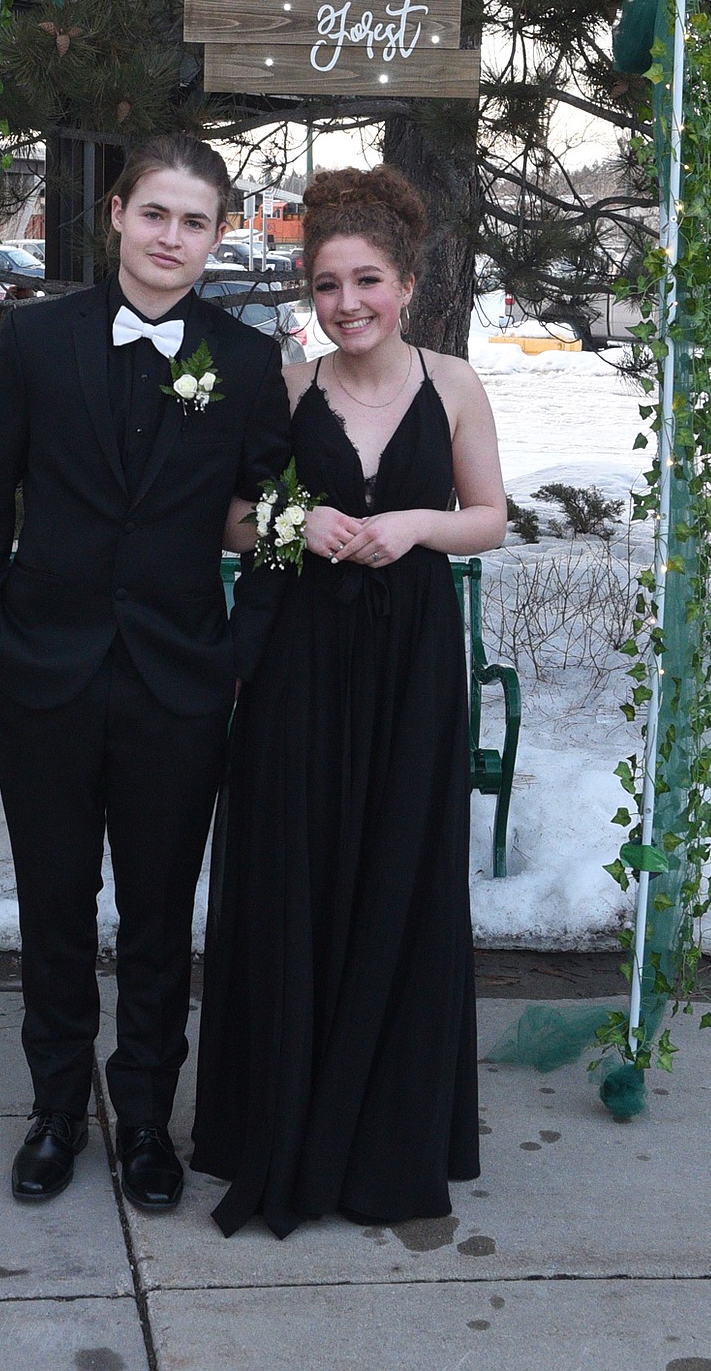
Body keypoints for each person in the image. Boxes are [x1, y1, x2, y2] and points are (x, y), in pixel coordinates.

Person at [0, 134, 291, 1209]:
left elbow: (281, 519)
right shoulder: (38, 339)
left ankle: (144, 1117)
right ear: (116, 214)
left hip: (179, 684)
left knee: (155, 914)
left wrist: (239, 652)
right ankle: (56, 1111)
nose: (172, 238)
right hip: (41, 674)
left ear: (217, 234)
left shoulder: (242, 361)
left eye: (195, 221)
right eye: (157, 214)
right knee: (54, 905)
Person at [191, 165, 508, 1237]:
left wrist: (419, 524)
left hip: (411, 663)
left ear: (408, 281)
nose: (346, 302)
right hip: (302, 665)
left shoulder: (455, 383)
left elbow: (490, 517)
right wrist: (300, 526)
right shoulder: (287, 388)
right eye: (326, 284)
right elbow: (233, 520)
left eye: (365, 279)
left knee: (399, 868)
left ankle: (385, 1129)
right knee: (298, 865)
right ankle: (281, 1115)